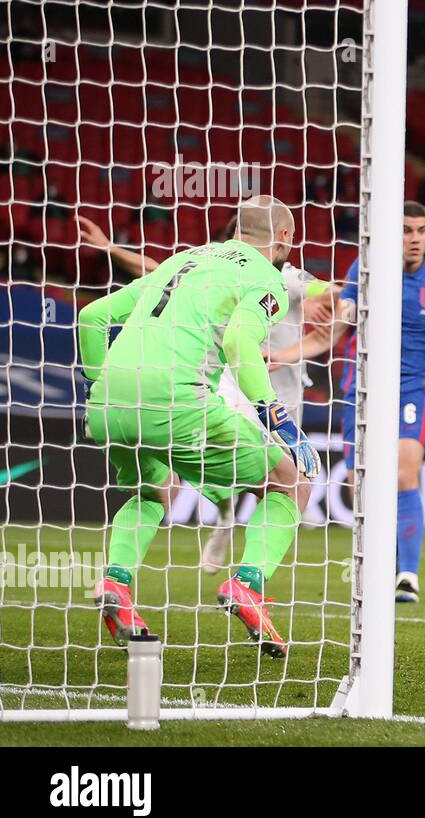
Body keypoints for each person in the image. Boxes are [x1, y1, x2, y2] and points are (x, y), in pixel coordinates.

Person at [78, 195, 321, 658]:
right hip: (177, 399)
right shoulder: (264, 275)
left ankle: (116, 582)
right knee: (292, 482)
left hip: (109, 401)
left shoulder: (181, 259)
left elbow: (92, 317)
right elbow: (238, 340)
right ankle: (248, 584)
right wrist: (277, 417)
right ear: (286, 238)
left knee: (152, 490)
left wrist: (96, 386)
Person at [336, 201, 425, 603]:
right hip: (361, 386)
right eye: (405, 230)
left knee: (403, 475)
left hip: (409, 388)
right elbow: (342, 316)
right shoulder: (365, 266)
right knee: (359, 488)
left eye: (421, 230)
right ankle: (378, 563)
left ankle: (407, 575)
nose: (414, 239)